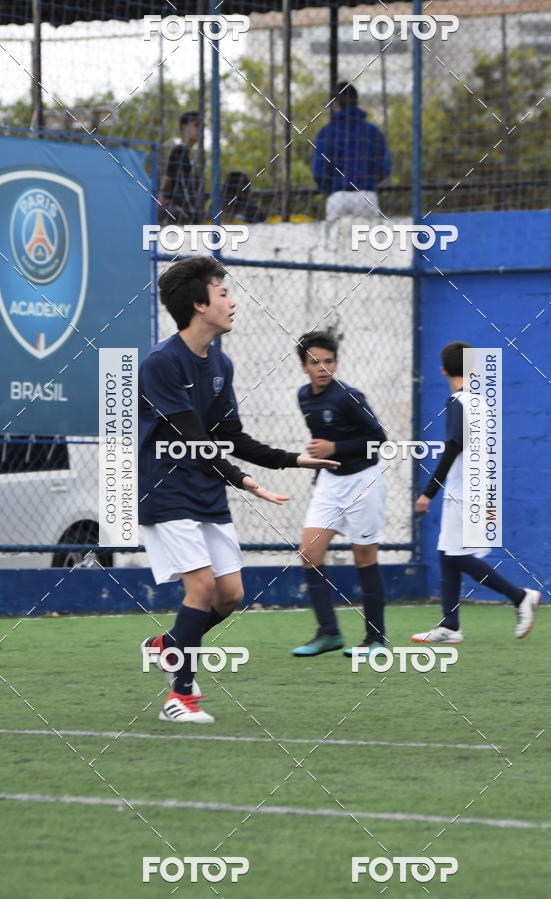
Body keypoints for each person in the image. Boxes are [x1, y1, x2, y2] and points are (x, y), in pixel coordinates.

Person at [138, 258, 340, 723]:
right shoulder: (161, 363)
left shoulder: (221, 363)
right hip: (168, 491)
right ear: (198, 304)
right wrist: (246, 481)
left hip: (207, 491)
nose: (232, 301)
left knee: (230, 595)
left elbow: (231, 436)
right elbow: (196, 440)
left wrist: (292, 459)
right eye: (222, 291)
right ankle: (179, 698)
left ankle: (168, 646)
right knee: (202, 588)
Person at [412, 341, 541, 644]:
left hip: (463, 493)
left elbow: (452, 447)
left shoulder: (457, 401)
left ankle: (520, 596)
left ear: (443, 370)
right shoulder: (481, 403)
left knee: (457, 557)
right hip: (476, 489)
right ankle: (450, 626)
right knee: (447, 555)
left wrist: (428, 493)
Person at [292, 331, 388, 658]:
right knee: (309, 553)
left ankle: (375, 640)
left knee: (364, 557)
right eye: (314, 362)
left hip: (363, 481)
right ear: (304, 366)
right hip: (330, 483)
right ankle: (329, 633)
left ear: (336, 363)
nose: (322, 367)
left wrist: (336, 448)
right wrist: (321, 465)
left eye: (329, 361)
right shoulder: (303, 396)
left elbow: (379, 439)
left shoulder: (349, 396)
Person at [312, 82, 391, 221]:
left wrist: (330, 188)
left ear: (334, 103)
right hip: (366, 195)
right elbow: (384, 168)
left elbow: (319, 172)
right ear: (356, 101)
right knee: (366, 235)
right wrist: (369, 181)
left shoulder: (327, 133)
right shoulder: (373, 132)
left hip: (338, 195)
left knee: (336, 234)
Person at [158, 111, 200, 225]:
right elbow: (167, 182)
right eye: (196, 125)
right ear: (184, 127)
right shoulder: (178, 152)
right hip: (180, 217)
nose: (200, 130)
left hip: (190, 216)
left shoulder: (192, 155)